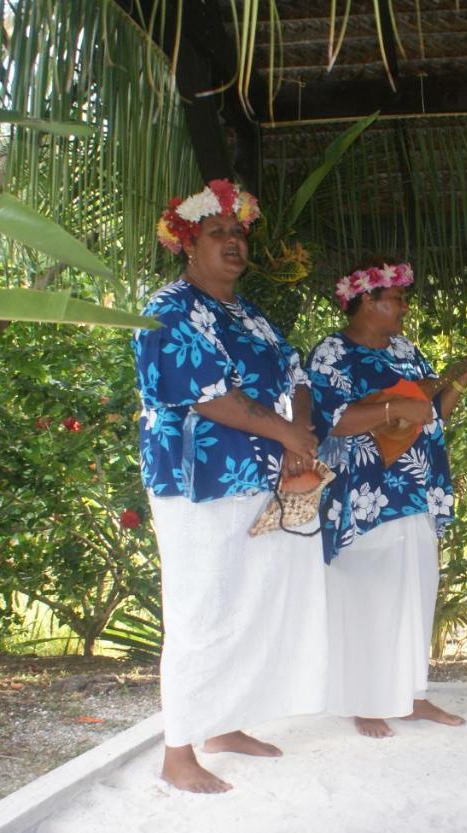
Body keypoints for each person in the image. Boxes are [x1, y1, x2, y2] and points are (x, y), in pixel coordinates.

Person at [132, 179, 327, 792]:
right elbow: (213, 396)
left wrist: (298, 431)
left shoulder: (249, 314)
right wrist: (291, 438)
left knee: (246, 606)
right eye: (218, 232)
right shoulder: (167, 309)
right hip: (198, 484)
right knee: (202, 611)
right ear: (188, 244)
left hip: (257, 477)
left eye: (239, 233)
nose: (234, 242)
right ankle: (178, 753)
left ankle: (225, 724)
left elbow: (294, 370)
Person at [307, 258, 467, 738]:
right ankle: (366, 700)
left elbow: (431, 414)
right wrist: (391, 407)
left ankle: (411, 694)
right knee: (367, 594)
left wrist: (460, 381)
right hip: (363, 494)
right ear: (367, 299)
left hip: (417, 487)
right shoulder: (332, 352)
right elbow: (330, 422)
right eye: (399, 299)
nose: (405, 308)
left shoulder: (407, 350)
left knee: (415, 592)